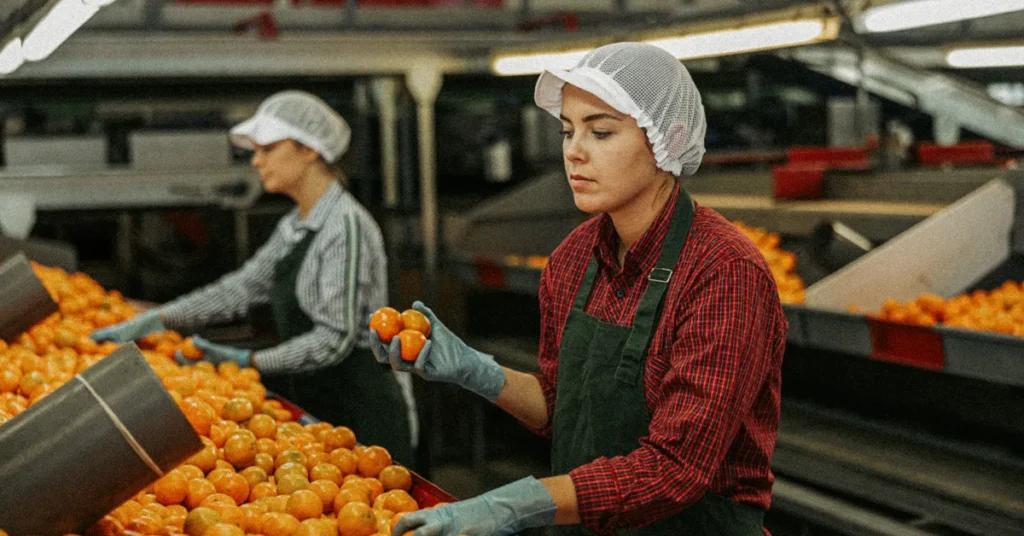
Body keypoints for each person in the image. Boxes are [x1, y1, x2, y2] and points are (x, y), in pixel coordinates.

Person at [376, 42, 786, 536]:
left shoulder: (723, 273)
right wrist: (474, 369)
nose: (573, 149)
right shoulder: (573, 259)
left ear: (668, 140)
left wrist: (515, 504)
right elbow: (560, 406)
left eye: (602, 131)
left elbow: (676, 470)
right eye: (568, 130)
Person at [93, 90, 416, 465]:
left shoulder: (345, 226)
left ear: (309, 150)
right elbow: (242, 288)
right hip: (319, 399)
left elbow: (334, 339)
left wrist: (250, 360)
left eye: (267, 149)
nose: (256, 160)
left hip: (363, 407)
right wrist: (160, 318)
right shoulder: (295, 224)